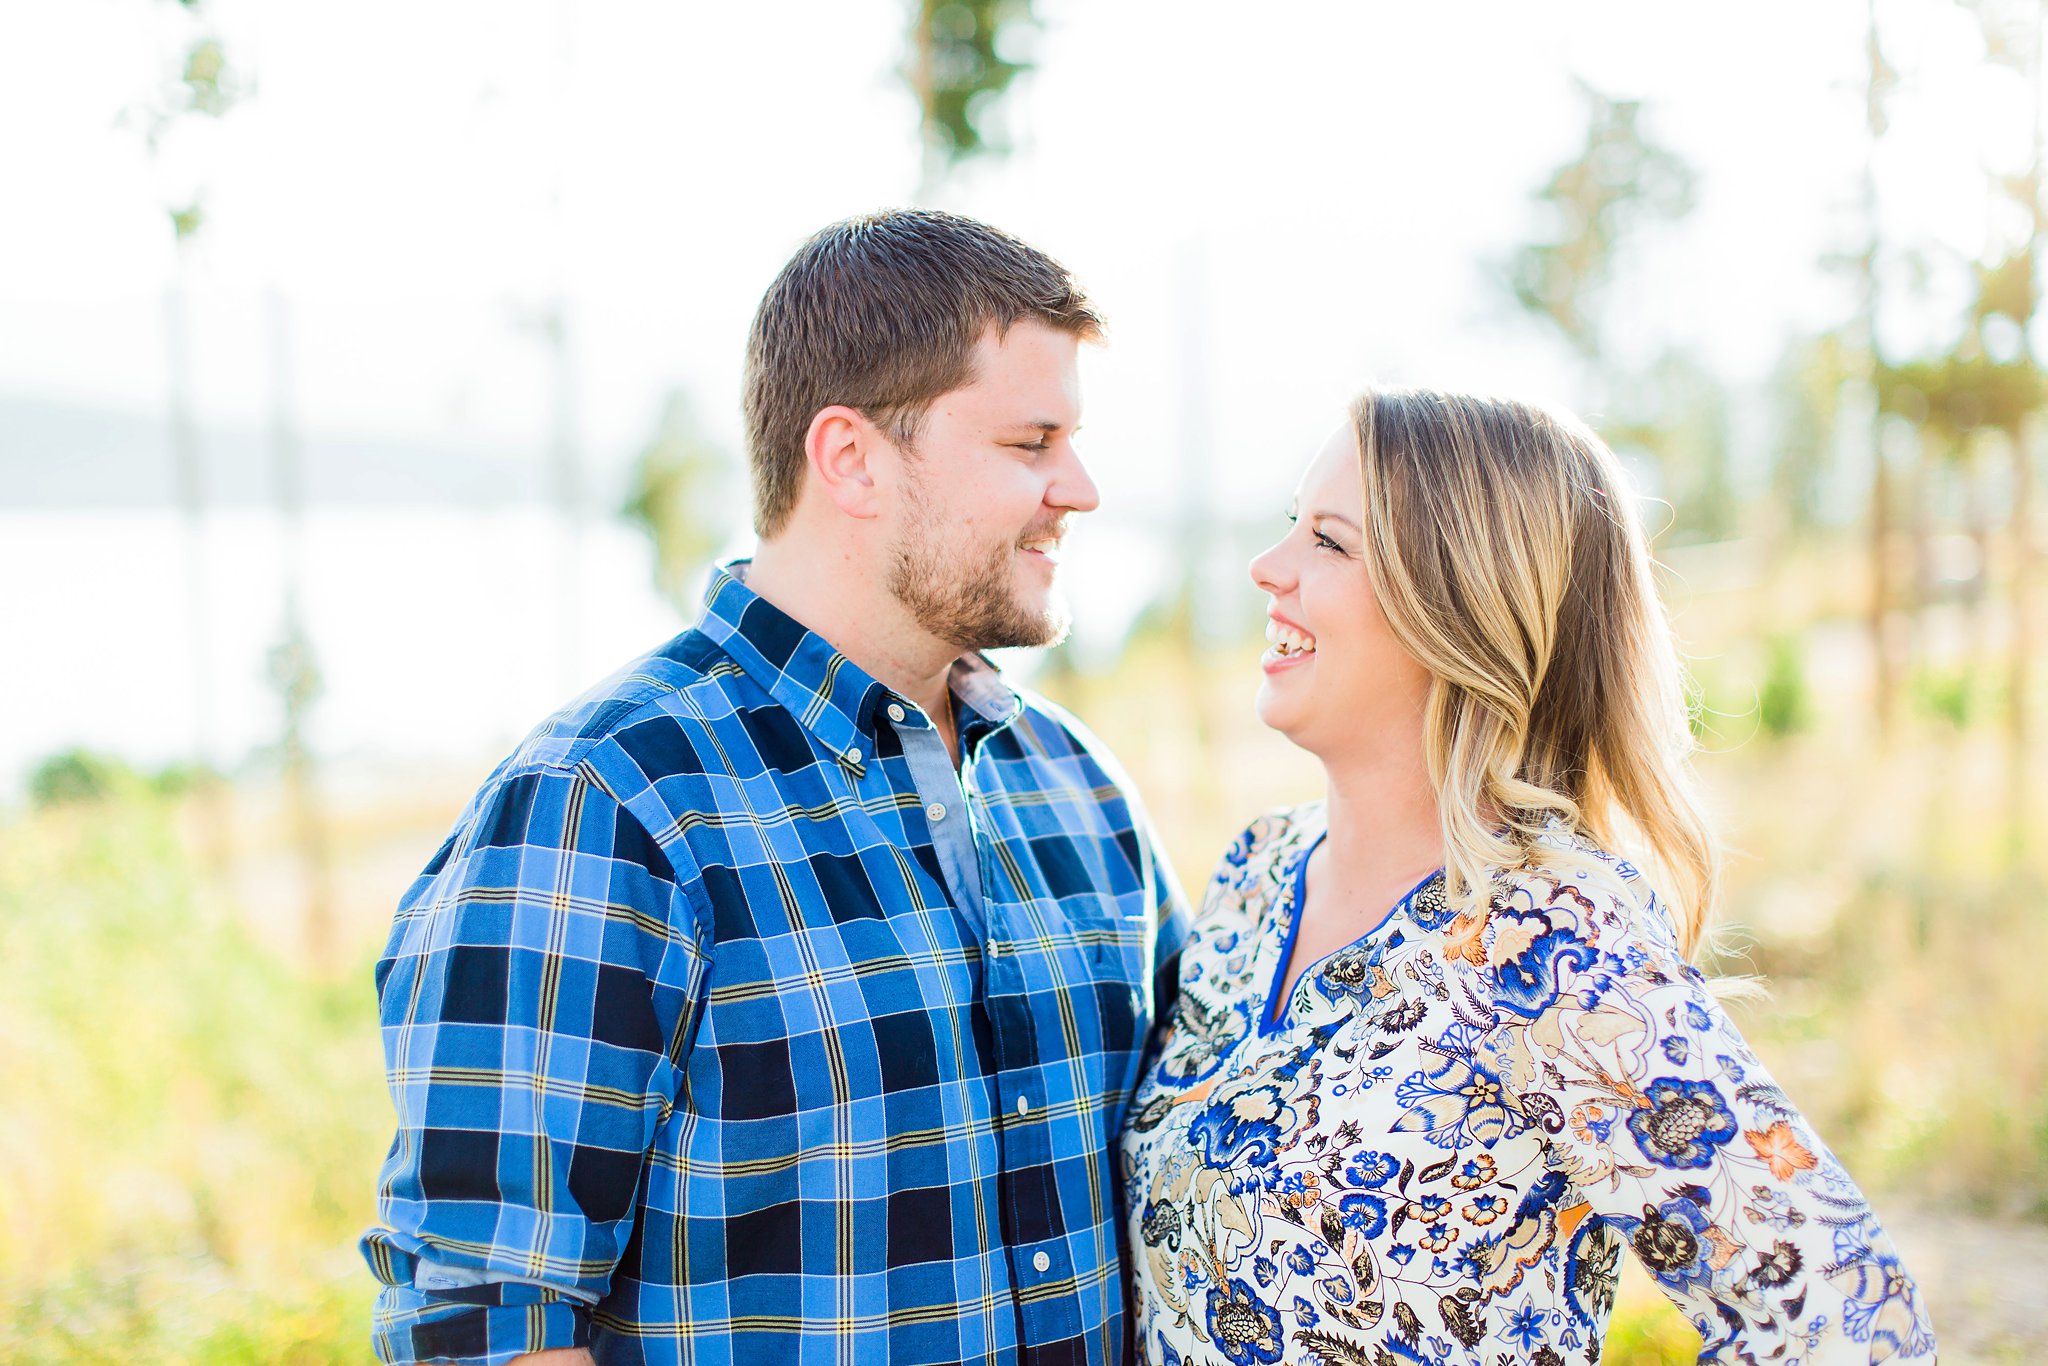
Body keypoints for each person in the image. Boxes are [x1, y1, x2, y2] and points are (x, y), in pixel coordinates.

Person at [362, 208, 1190, 1366]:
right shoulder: (605, 805)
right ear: (849, 458)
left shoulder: (1076, 787)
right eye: (1029, 443)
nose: (1080, 488)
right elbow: (486, 1322)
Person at [1120, 390, 1936, 1365]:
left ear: (1454, 600)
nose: (1267, 567)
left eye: (1328, 542)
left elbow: (1844, 1318)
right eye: (1287, 526)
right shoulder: (1257, 871)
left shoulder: (1548, 932)